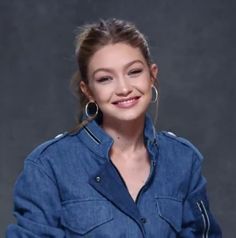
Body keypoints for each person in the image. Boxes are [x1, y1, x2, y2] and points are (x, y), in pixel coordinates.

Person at [6, 18, 222, 237]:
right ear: (88, 90)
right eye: (105, 78)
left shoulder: (183, 159)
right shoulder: (48, 165)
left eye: (134, 72)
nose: (124, 88)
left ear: (152, 76)